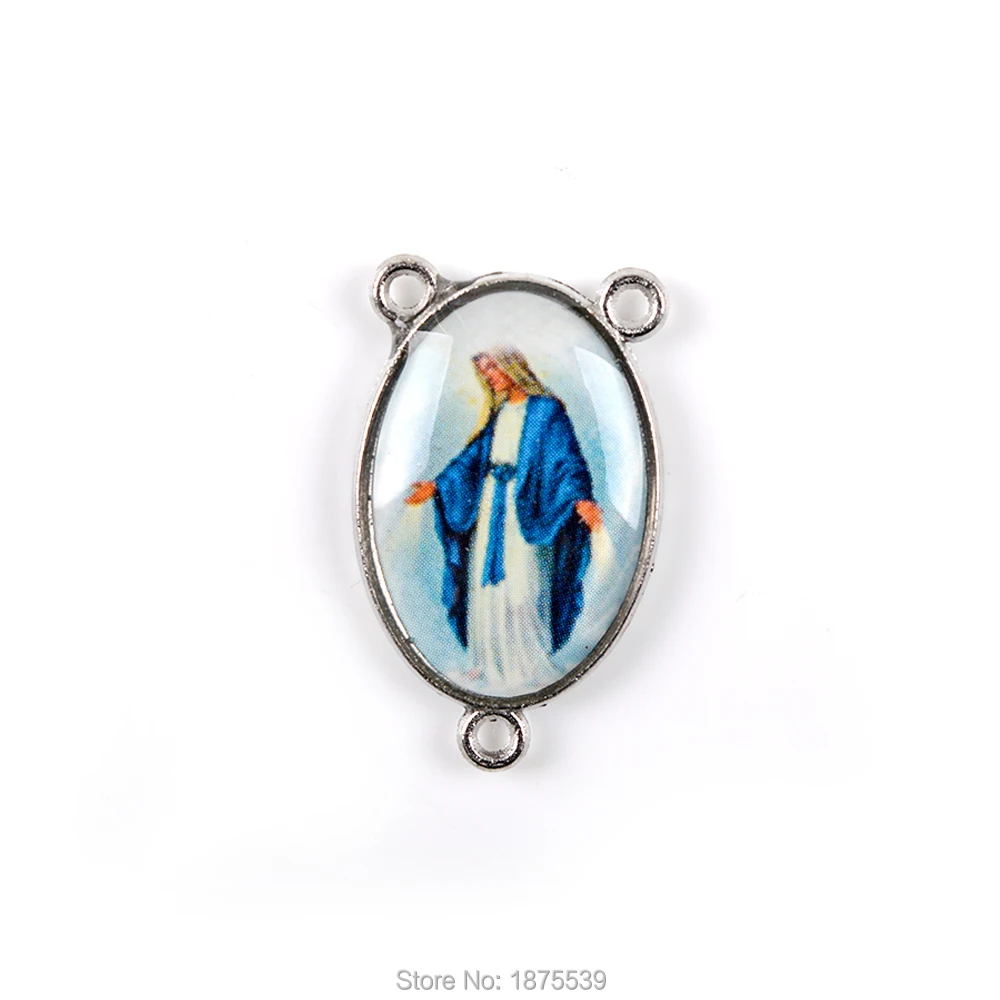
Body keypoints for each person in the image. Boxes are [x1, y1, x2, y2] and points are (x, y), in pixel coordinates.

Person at [405, 347, 602, 689]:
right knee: (485, 585)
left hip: (523, 512)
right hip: (490, 507)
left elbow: (567, 459)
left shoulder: (546, 411)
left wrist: (579, 498)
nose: (489, 377)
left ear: (512, 366)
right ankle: (486, 661)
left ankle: (526, 663)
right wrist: (437, 486)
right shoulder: (499, 414)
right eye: (484, 372)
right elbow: (470, 459)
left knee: (521, 582)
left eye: (492, 368)